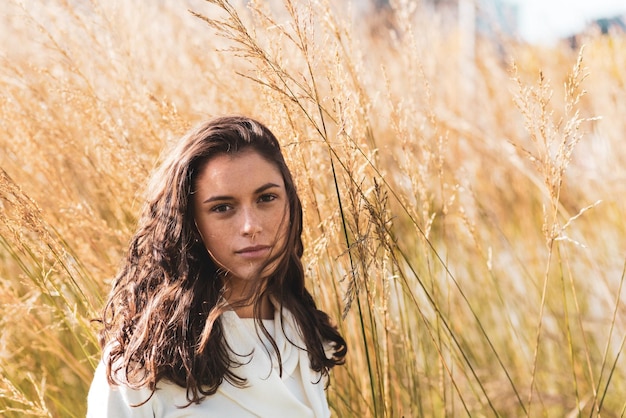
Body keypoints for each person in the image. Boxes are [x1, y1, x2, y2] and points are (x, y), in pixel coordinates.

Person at [87, 115, 347, 417]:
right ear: (190, 223)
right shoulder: (143, 366)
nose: (250, 226)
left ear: (290, 204)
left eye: (266, 198)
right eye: (222, 207)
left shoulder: (306, 337)